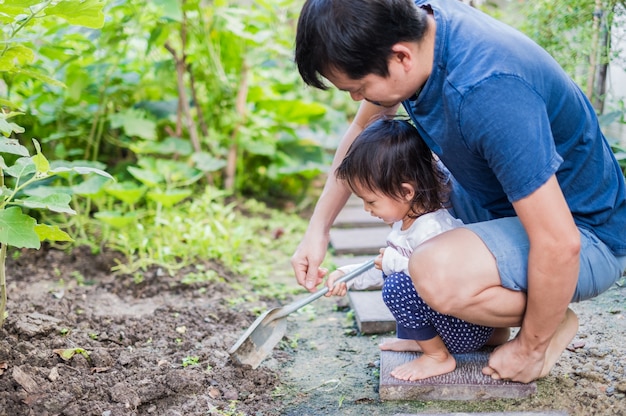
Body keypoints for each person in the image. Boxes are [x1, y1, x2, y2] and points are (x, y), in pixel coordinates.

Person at [291, 0, 626, 384]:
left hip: (587, 236)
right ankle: (515, 312)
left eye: (361, 88)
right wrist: (318, 229)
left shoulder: (488, 93)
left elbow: (559, 241)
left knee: (433, 270)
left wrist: (531, 346)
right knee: (404, 192)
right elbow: (360, 139)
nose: (357, 100)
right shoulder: (417, 24)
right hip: (500, 200)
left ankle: (552, 320)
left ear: (401, 57)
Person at [324, 117, 510, 380]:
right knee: (395, 273)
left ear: (406, 192)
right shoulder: (406, 223)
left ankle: (437, 355)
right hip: (463, 323)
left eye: (371, 201)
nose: (367, 209)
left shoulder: (432, 228)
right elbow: (386, 266)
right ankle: (426, 341)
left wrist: (390, 263)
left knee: (397, 287)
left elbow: (439, 277)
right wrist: (349, 275)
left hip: (464, 325)